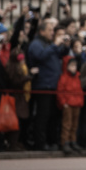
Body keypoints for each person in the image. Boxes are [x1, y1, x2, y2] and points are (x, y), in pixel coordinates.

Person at [26, 17, 70, 151]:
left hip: (53, 85)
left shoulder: (49, 44)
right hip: (43, 85)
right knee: (42, 116)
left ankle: (51, 141)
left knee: (52, 116)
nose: (52, 33)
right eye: (50, 30)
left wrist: (65, 46)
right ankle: (40, 143)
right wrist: (55, 45)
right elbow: (40, 56)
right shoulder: (36, 44)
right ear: (42, 31)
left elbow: (61, 54)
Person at [56, 54, 84, 155]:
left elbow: (79, 90)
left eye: (75, 66)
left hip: (77, 103)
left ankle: (73, 141)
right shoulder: (63, 77)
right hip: (68, 104)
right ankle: (65, 142)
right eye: (71, 66)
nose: (73, 68)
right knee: (67, 124)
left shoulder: (77, 76)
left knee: (74, 124)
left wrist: (81, 101)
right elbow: (60, 91)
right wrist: (63, 103)